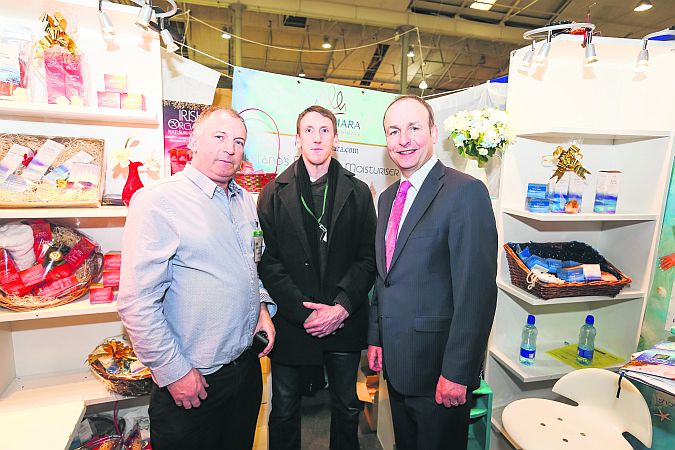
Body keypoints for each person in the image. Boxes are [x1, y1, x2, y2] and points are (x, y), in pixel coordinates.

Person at [117, 106, 276, 450]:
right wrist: (173, 371)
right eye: (219, 137)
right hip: (193, 381)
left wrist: (261, 306)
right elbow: (136, 302)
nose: (229, 148)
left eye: (238, 141)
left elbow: (249, 268)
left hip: (245, 369)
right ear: (192, 141)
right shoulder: (158, 201)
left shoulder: (245, 201)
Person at [367, 95, 497, 450]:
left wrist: (458, 372)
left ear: (433, 132)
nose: (403, 139)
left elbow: (477, 293)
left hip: (439, 372)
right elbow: (386, 276)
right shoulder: (387, 197)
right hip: (397, 364)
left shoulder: (465, 192)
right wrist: (376, 334)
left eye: (413, 128)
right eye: (393, 131)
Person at [257, 105, 377, 450]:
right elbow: (267, 261)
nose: (316, 138)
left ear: (335, 138)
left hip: (344, 319)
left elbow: (368, 258)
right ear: (297, 139)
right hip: (295, 323)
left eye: (324, 130)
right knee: (283, 410)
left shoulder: (358, 193)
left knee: (347, 407)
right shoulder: (272, 193)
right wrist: (303, 311)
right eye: (308, 130)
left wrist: (340, 307)